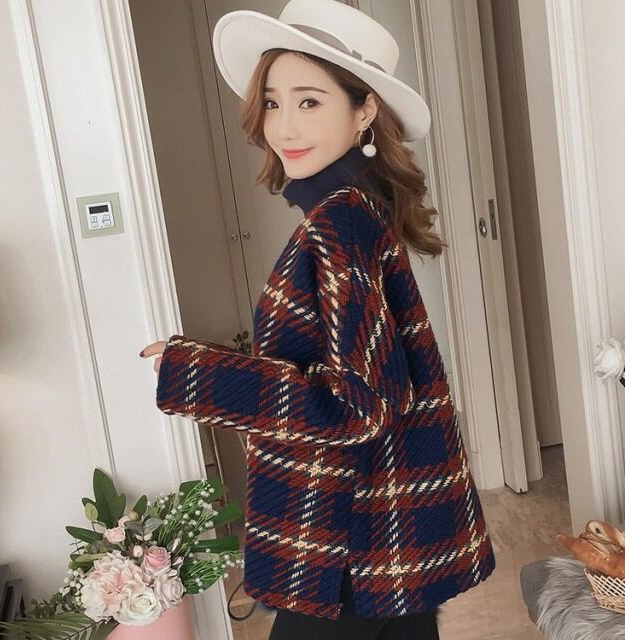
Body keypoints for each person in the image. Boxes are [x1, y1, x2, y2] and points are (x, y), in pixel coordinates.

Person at [140, 1, 496, 638]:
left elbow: (359, 404)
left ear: (364, 111)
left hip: (346, 534)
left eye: (309, 101)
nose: (283, 125)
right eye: (272, 102)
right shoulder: (355, 207)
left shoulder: (339, 224)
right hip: (384, 522)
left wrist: (196, 373)